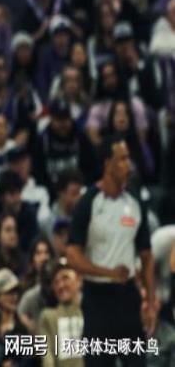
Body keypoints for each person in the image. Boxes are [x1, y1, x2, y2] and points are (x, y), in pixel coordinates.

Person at [67, 135, 156, 367]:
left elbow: (147, 256)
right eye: (123, 159)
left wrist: (151, 302)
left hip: (128, 298)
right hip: (97, 300)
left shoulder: (135, 201)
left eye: (129, 158)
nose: (129, 164)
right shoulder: (88, 202)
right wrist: (108, 272)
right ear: (108, 164)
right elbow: (72, 256)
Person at [38, 260, 84, 367]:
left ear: (79, 280)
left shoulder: (93, 313)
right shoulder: (48, 317)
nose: (61, 285)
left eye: (65, 278)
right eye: (56, 282)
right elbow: (46, 356)